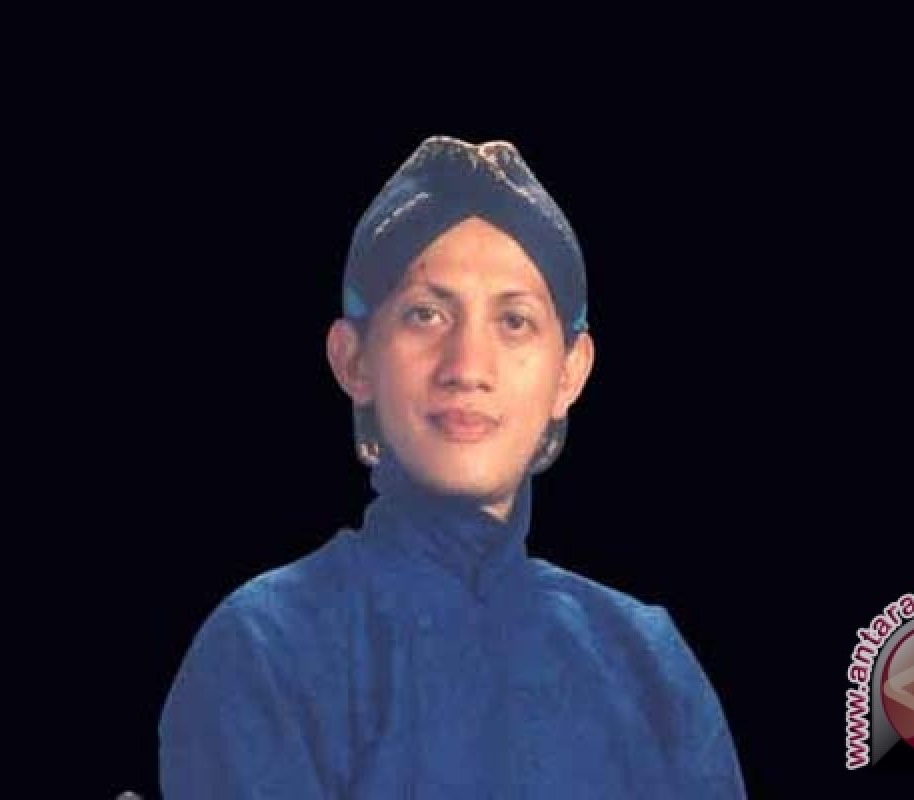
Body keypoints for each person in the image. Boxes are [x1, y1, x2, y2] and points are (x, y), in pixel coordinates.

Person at [158, 136, 746, 798]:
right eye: (426, 315)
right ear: (354, 360)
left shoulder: (649, 666)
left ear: (569, 371)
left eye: (514, 321)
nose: (467, 367)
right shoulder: (268, 646)